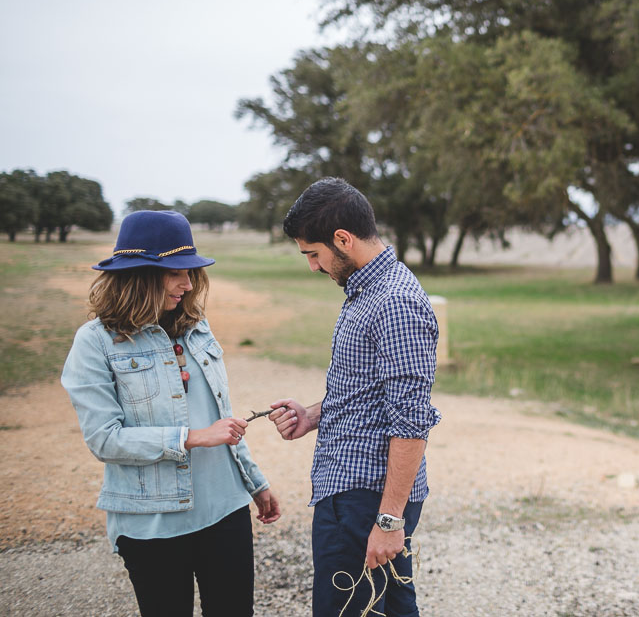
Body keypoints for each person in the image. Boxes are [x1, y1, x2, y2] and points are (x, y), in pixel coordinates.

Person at [61, 210, 280, 617]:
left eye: (191, 270)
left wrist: (254, 482)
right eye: (177, 270)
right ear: (140, 274)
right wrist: (193, 437)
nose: (189, 282)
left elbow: (221, 415)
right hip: (152, 524)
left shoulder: (196, 325)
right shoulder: (94, 343)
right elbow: (104, 439)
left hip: (226, 511)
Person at [266, 177, 440, 617]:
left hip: (368, 499)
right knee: (390, 609)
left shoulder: (395, 302)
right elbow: (367, 391)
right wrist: (311, 415)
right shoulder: (365, 291)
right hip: (355, 493)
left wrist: (388, 520)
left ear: (343, 239)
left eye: (313, 253)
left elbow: (410, 421)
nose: (312, 266)